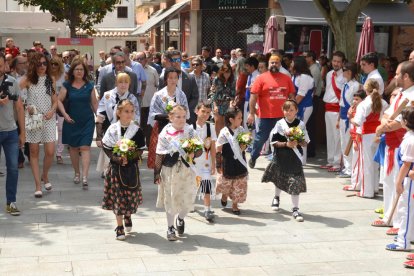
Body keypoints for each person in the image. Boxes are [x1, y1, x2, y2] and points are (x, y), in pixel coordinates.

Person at [154, 105, 202, 241]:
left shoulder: (190, 131)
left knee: (188, 198)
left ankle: (180, 218)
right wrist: (156, 173)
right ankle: (170, 227)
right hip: (170, 170)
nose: (181, 120)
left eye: (183, 116)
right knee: (171, 198)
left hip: (187, 169)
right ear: (170, 118)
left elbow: (199, 148)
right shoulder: (165, 133)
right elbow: (159, 154)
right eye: (178, 117)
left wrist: (195, 153)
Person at [102, 99, 146, 240]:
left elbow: (140, 149)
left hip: (131, 168)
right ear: (118, 113)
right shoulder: (113, 129)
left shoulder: (137, 130)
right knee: (118, 197)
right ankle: (119, 226)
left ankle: (128, 215)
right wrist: (117, 159)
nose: (129, 114)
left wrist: (131, 155)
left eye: (132, 111)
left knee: (130, 196)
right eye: (126, 111)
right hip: (116, 169)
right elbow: (107, 147)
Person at [262, 100, 309, 222]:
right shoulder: (279, 124)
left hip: (295, 159)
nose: (288, 112)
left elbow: (305, 142)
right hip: (281, 156)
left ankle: (295, 209)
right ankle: (276, 197)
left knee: (295, 183)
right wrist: (286, 144)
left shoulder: (301, 125)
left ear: (296, 111)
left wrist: (298, 141)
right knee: (279, 179)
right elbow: (273, 142)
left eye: (291, 110)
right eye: (286, 110)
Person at [247, 55, 295, 169]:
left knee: (282, 139)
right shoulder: (261, 78)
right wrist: (251, 113)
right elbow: (253, 97)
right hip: (266, 116)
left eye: (276, 63)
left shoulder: (286, 78)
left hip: (283, 117)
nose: (274, 64)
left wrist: (292, 111)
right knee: (261, 139)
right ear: (268, 64)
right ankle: (253, 157)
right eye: (272, 63)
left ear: (280, 64)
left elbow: (291, 96)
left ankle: (279, 161)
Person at [20, 52, 57, 198]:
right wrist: (25, 105)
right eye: (39, 64)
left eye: (44, 63)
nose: (42, 66)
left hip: (48, 118)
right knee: (34, 152)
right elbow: (16, 93)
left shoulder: (50, 79)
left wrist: (52, 111)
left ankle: (45, 175)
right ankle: (38, 185)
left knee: (50, 151)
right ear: (34, 65)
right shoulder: (28, 80)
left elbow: (55, 100)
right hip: (33, 118)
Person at [58, 59, 98, 189]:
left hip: (87, 120)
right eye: (77, 69)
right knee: (73, 148)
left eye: (81, 69)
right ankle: (77, 172)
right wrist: (65, 115)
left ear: (85, 71)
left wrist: (99, 117)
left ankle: (85, 176)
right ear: (72, 71)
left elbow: (94, 104)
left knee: (85, 147)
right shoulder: (67, 85)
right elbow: (58, 101)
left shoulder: (90, 85)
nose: (79, 71)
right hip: (72, 120)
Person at [96, 73, 141, 177]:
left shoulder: (132, 98)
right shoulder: (107, 95)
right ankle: (109, 170)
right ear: (116, 83)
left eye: (126, 82)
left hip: (128, 130)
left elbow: (137, 118)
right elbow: (100, 116)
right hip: (111, 129)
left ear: (129, 84)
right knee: (110, 154)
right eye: (120, 82)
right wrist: (98, 136)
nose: (123, 85)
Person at [351, 79, 388, 198]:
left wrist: (351, 117)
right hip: (378, 134)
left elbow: (357, 122)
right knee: (376, 163)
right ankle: (375, 188)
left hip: (366, 135)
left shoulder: (364, 104)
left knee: (366, 163)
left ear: (366, 90)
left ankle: (367, 191)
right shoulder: (383, 102)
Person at [385, 107, 414, 256]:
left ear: (406, 122)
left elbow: (407, 164)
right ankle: (408, 235)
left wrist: (398, 182)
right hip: (408, 178)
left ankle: (403, 242)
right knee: (407, 209)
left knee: (406, 210)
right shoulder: (409, 136)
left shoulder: (410, 140)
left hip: (410, 179)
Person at [147, 67, 190, 169]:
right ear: (166, 79)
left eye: (175, 78)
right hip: (162, 127)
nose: (173, 80)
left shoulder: (181, 94)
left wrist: (178, 116)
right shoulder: (158, 95)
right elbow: (153, 114)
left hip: (179, 127)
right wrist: (170, 116)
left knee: (177, 154)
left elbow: (186, 112)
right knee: (163, 155)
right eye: (170, 78)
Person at [0, 53, 25, 215]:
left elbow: (19, 107)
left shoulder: (12, 82)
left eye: (1, 64)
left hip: (10, 132)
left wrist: (22, 132)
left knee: (13, 168)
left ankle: (11, 202)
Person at [215, 107, 248, 215]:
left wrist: (245, 145)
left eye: (241, 118)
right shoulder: (224, 132)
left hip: (240, 162)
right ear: (231, 119)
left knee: (239, 184)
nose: (241, 120)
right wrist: (218, 164)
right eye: (239, 118)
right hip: (227, 161)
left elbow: (245, 145)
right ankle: (225, 195)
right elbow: (218, 148)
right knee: (226, 183)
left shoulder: (242, 130)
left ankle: (235, 204)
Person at [158, 50, 199, 124]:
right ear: (170, 62)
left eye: (178, 60)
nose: (176, 62)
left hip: (187, 118)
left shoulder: (190, 78)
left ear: (181, 61)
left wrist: (185, 110)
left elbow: (195, 97)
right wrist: (171, 110)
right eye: (173, 60)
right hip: (170, 119)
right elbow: (161, 99)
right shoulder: (163, 79)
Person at [321, 51, 346, 172]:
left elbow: (344, 96)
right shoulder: (329, 74)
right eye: (334, 61)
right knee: (330, 136)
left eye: (338, 61)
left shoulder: (345, 76)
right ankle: (330, 160)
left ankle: (337, 163)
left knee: (337, 137)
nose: (336, 63)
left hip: (337, 109)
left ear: (342, 63)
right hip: (327, 108)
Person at [193, 101, 217, 222]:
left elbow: (213, 145)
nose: (205, 114)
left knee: (206, 184)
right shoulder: (190, 126)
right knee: (193, 184)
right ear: (196, 111)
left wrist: (214, 163)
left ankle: (207, 209)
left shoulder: (210, 127)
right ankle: (190, 203)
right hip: (192, 161)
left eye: (208, 112)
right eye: (203, 111)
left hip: (206, 160)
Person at [337, 62, 361, 178]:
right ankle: (347, 167)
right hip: (342, 116)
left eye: (344, 71)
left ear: (349, 72)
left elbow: (354, 103)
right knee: (343, 142)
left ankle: (350, 168)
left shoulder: (355, 85)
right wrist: (338, 119)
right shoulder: (345, 85)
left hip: (349, 117)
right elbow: (341, 103)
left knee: (348, 142)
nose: (342, 73)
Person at [342, 90, 367, 192]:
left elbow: (360, 126)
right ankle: (357, 183)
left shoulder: (361, 109)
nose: (354, 101)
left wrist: (356, 140)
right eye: (354, 99)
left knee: (356, 162)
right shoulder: (354, 108)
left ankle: (355, 184)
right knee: (355, 161)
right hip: (354, 137)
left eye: (357, 99)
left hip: (358, 138)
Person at [135, 51, 159, 147]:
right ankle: (138, 148)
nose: (139, 61)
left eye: (141, 59)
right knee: (138, 128)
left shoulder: (153, 71)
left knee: (149, 128)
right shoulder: (132, 70)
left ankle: (150, 149)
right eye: (137, 59)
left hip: (149, 105)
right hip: (137, 105)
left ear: (146, 59)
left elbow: (157, 85)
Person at [210, 63, 236, 135]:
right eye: (226, 72)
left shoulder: (232, 80)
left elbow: (233, 94)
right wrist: (215, 105)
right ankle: (218, 139)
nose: (227, 74)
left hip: (227, 104)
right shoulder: (216, 79)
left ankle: (224, 141)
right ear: (222, 72)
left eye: (229, 72)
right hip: (217, 103)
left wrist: (231, 103)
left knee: (225, 123)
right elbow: (213, 93)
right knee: (218, 121)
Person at [49, 56, 66, 164]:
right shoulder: (47, 77)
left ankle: (59, 153)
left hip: (61, 105)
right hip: (49, 106)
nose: (54, 66)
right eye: (52, 64)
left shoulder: (64, 77)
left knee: (60, 129)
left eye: (56, 64)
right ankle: (49, 152)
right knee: (49, 130)